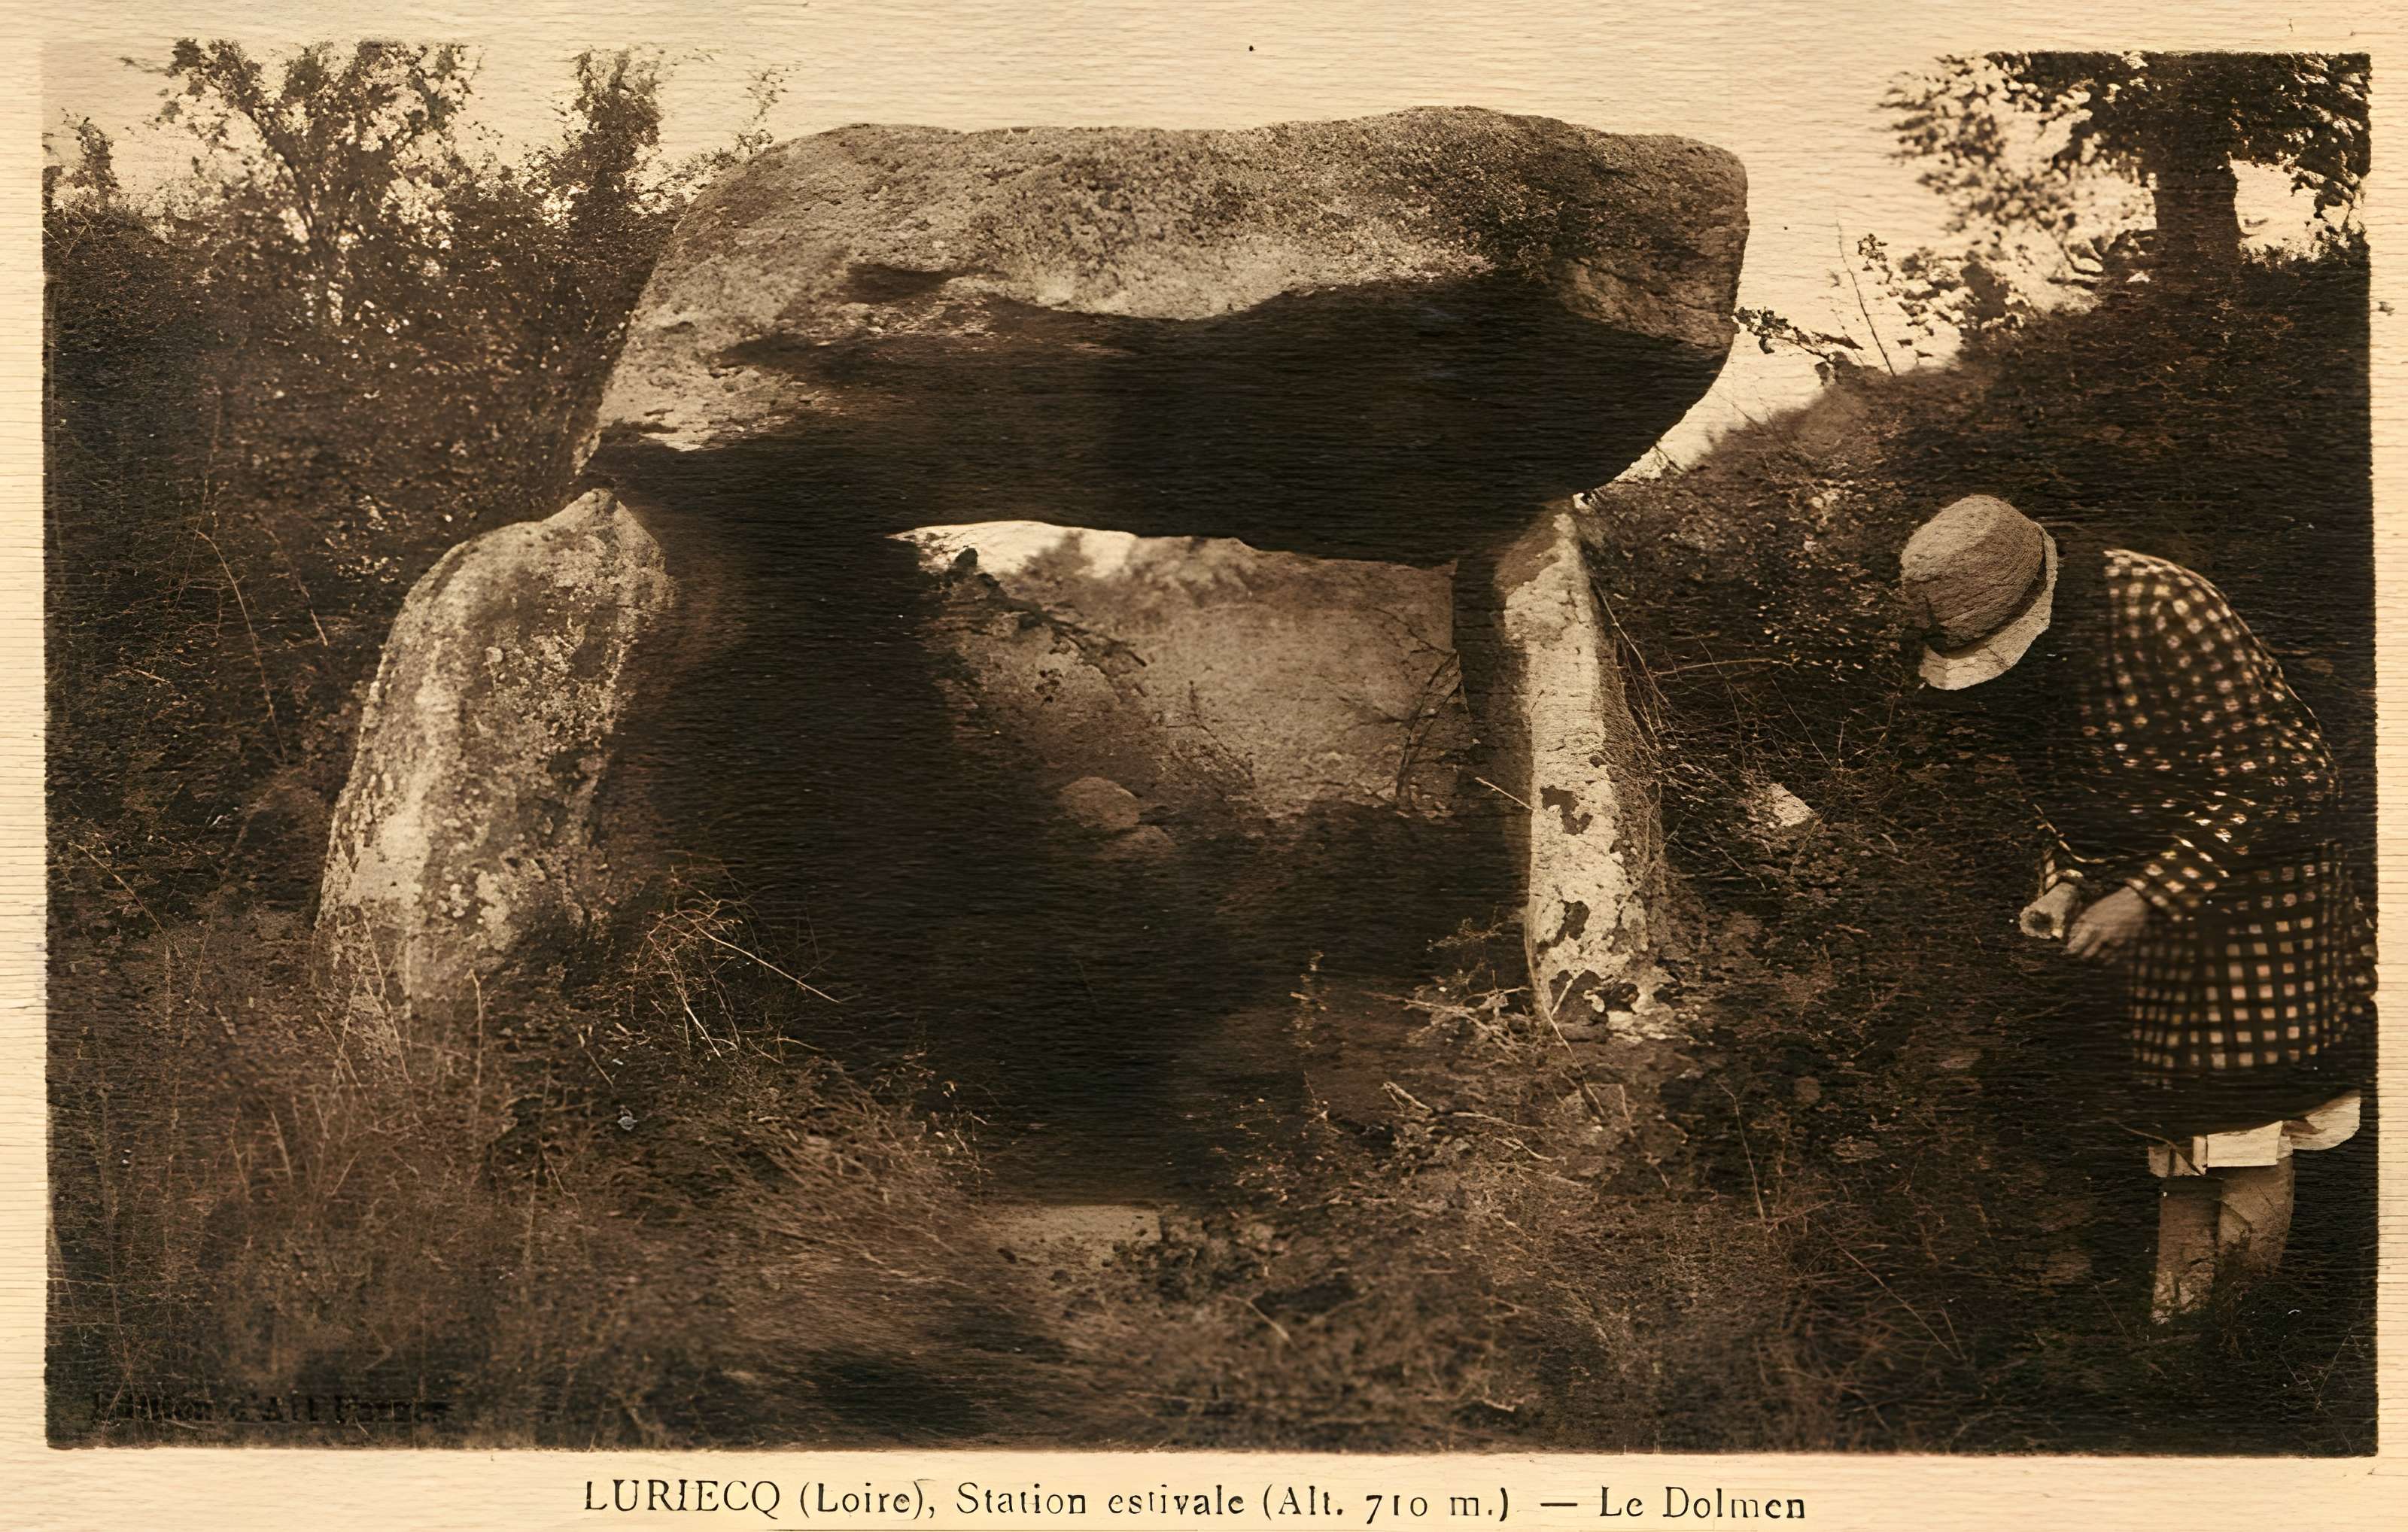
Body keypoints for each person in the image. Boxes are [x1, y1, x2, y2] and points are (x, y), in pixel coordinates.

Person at [1898, 494, 2372, 1321]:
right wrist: (2065, 882)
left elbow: (2268, 775)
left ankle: (2234, 1338)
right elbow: (2070, 801)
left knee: (2244, 1132)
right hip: (2151, 903)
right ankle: (2177, 1330)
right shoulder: (2030, 669)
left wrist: (2145, 895)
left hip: (2264, 890)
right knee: (2181, 1145)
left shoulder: (2162, 605)